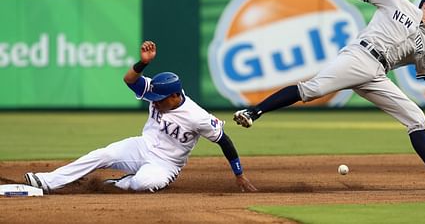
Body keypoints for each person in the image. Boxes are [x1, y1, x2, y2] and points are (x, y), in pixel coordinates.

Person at [234, 0, 425, 192]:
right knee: (313, 90)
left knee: (415, 117)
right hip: (359, 56)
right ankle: (253, 111)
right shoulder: (400, 4)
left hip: (378, 74)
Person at [25, 41, 257, 193]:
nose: (155, 100)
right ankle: (47, 181)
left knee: (142, 184)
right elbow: (129, 80)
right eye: (154, 96)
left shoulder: (197, 117)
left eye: (160, 98)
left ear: (175, 95)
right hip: (141, 146)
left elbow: (224, 140)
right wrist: (143, 63)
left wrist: (239, 174)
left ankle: (120, 183)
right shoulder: (158, 92)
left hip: (166, 164)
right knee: (102, 154)